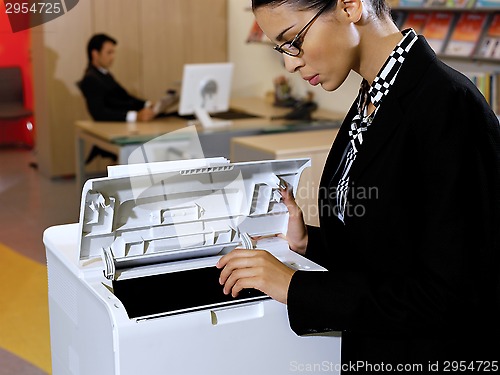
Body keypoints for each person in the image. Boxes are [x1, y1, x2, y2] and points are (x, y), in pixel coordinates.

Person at [217, 0, 500, 370]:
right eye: (282, 49)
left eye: (294, 40)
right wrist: (309, 243)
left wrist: (296, 287)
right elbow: (392, 251)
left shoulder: (448, 104)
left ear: (350, 6)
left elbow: (454, 294)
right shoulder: (372, 97)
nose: (291, 62)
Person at [78, 33, 156, 123]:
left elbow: (124, 97)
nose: (113, 57)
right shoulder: (90, 79)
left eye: (113, 52)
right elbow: (99, 113)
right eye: (109, 53)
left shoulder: (104, 74)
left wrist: (147, 104)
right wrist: (135, 116)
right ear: (95, 54)